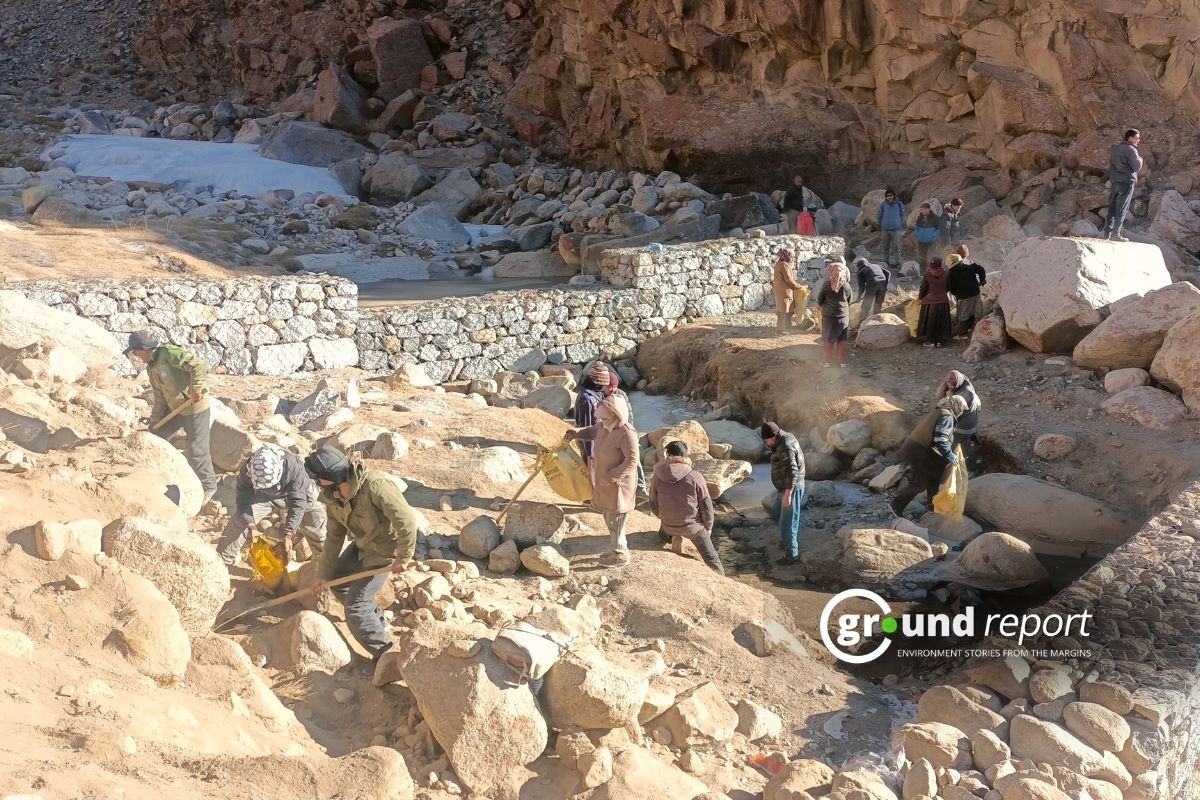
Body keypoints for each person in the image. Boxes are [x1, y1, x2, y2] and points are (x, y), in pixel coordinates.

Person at [305, 447, 421, 668]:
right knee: (336, 581)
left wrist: (404, 557)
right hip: (363, 546)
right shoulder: (333, 496)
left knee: (356, 608)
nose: (316, 482)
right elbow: (334, 537)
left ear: (330, 478)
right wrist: (323, 575)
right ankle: (375, 620)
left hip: (386, 553)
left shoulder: (375, 486)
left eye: (318, 478)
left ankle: (385, 655)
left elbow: (406, 520)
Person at [124, 329, 218, 507]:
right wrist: (154, 420)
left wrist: (196, 389)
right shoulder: (151, 368)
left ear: (144, 349)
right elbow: (160, 397)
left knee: (197, 449)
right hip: (175, 409)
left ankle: (209, 486)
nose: (135, 355)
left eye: (136, 351)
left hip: (195, 407)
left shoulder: (168, 354)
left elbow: (198, 366)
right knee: (157, 436)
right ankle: (160, 476)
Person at [216, 445, 327, 566]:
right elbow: (243, 502)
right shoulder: (248, 471)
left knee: (316, 523)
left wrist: (288, 534)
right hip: (265, 496)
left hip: (300, 492)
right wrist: (252, 527)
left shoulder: (293, 468)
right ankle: (221, 562)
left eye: (271, 485)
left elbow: (298, 503)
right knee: (240, 520)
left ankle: (326, 566)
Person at [565, 396, 639, 567]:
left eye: (605, 417)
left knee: (616, 520)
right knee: (609, 517)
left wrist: (613, 475)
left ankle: (620, 555)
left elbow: (632, 460)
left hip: (618, 486)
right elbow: (592, 431)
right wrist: (577, 433)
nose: (602, 419)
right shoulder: (604, 427)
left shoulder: (627, 433)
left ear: (616, 415)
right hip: (605, 482)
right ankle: (617, 549)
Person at [649, 441, 724, 575]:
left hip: (668, 526)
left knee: (662, 534)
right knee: (713, 560)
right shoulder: (695, 476)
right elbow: (706, 506)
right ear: (686, 455)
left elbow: (653, 504)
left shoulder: (657, 476)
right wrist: (709, 527)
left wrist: (663, 517)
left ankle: (673, 536)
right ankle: (724, 583)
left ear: (667, 455)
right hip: (693, 529)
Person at [891, 395, 968, 517]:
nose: (962, 412)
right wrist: (950, 455)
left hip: (917, 448)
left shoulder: (938, 411)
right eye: (962, 409)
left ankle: (933, 506)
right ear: (956, 406)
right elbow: (941, 439)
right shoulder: (946, 416)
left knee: (933, 478)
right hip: (920, 450)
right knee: (920, 482)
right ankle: (895, 507)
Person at [761, 422, 805, 566]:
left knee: (788, 523)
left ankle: (792, 555)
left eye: (767, 440)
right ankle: (788, 543)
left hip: (791, 488)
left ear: (773, 436)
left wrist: (788, 494)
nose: (767, 443)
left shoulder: (785, 446)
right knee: (780, 515)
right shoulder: (783, 438)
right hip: (786, 488)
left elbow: (793, 471)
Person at [1099, 129, 1142, 242]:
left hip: (1115, 180)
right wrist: (1141, 159)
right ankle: (1116, 234)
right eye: (1137, 138)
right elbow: (1137, 166)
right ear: (1130, 138)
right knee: (1122, 208)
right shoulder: (1131, 150)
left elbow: (1112, 163)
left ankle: (1106, 233)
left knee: (1112, 207)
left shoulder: (1115, 148)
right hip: (1127, 181)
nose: (1139, 140)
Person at [937, 370, 983, 474]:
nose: (949, 387)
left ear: (956, 384)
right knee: (964, 441)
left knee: (954, 444)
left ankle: (967, 468)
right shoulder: (963, 381)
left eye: (951, 386)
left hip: (965, 424)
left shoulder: (966, 394)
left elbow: (951, 410)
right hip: (970, 419)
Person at [946, 246, 988, 337]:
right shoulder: (969, 263)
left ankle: (962, 334)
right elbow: (981, 269)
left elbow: (951, 287)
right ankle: (971, 328)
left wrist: (955, 293)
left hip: (963, 295)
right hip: (975, 292)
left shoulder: (951, 272)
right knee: (973, 311)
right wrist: (982, 280)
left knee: (963, 314)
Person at [574, 362, 610, 469]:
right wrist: (591, 457)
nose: (604, 387)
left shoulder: (597, 393)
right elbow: (587, 429)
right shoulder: (587, 399)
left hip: (599, 442)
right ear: (596, 383)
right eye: (603, 385)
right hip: (591, 446)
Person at [817, 260, 852, 368]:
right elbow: (849, 299)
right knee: (842, 338)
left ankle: (827, 362)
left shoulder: (827, 285)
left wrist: (822, 305)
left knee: (828, 338)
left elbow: (820, 299)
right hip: (843, 316)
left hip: (828, 316)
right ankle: (842, 362)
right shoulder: (846, 285)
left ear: (832, 272)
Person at [917, 256, 953, 348]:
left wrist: (920, 297)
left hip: (929, 303)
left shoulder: (927, 274)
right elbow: (949, 287)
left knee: (930, 323)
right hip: (943, 302)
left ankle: (930, 341)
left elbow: (923, 288)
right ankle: (941, 341)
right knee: (941, 322)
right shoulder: (945, 274)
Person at [853, 256, 891, 329]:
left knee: (866, 306)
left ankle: (861, 324)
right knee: (878, 304)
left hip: (872, 285)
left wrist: (858, 297)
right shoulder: (877, 265)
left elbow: (862, 287)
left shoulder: (861, 271)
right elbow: (888, 273)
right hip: (883, 285)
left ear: (859, 267)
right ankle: (877, 323)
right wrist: (886, 283)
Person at [772, 249, 802, 331]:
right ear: (786, 256)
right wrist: (798, 286)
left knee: (787, 310)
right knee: (784, 310)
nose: (792, 259)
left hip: (781, 290)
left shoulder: (779, 264)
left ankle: (787, 327)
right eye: (791, 257)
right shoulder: (784, 265)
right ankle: (781, 329)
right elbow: (788, 279)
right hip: (785, 291)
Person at [877, 189, 905, 268]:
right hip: (885, 229)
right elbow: (879, 215)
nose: (889, 197)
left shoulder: (899, 204)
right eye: (887, 196)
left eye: (891, 195)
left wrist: (899, 223)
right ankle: (886, 262)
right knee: (886, 247)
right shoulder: (883, 205)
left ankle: (898, 263)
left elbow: (903, 215)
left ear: (894, 196)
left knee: (897, 247)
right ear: (886, 197)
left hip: (896, 230)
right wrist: (882, 224)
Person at [914, 202, 941, 268]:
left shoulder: (935, 217)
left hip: (931, 242)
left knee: (930, 258)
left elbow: (940, 228)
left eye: (924, 209)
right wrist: (917, 234)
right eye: (922, 209)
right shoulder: (920, 217)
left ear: (928, 209)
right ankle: (922, 273)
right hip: (921, 241)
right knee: (922, 257)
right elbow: (917, 227)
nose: (922, 210)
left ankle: (931, 272)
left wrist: (933, 235)